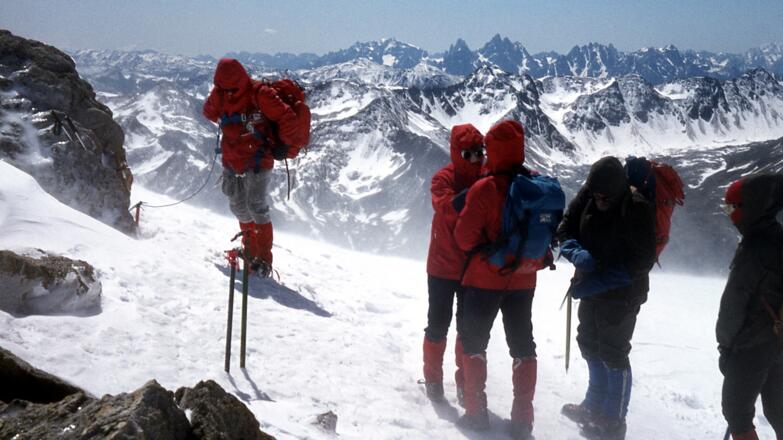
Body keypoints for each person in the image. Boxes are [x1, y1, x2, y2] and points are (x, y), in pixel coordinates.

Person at [557, 156, 656, 440]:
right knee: (588, 343)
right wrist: (575, 252)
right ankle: (593, 404)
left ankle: (613, 420)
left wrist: (597, 281)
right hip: (590, 285)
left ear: (619, 191)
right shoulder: (590, 192)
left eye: (605, 198)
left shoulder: (637, 208)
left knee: (613, 351)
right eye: (596, 195)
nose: (599, 201)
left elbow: (641, 262)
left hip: (623, 294)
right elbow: (565, 228)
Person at [453, 120, 538, 440]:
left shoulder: (485, 188)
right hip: (523, 280)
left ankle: (476, 413)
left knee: (474, 343)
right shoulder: (534, 184)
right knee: (523, 345)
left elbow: (464, 238)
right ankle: (523, 419)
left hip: (484, 280)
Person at [203, 58, 302, 276]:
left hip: (258, 159)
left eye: (232, 89)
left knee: (256, 206)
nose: (229, 93)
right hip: (232, 159)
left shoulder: (260, 94)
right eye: (224, 88)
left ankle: (263, 260)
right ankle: (250, 250)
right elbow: (209, 111)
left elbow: (287, 118)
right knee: (238, 206)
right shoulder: (220, 94)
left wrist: (283, 144)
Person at [717, 174, 783, 440]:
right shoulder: (778, 238)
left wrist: (725, 346)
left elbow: (734, 303)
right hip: (778, 340)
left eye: (731, 208)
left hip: (752, 343)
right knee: (779, 411)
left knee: (736, 412)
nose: (729, 215)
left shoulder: (755, 248)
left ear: (750, 208)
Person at [422, 124, 484, 403]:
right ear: (458, 153)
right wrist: (478, 194)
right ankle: (433, 380)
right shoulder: (443, 179)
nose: (476, 159)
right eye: (469, 154)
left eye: (479, 152)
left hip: (471, 267)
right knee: (438, 325)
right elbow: (446, 207)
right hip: (442, 267)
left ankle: (463, 384)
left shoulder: (485, 176)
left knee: (466, 329)